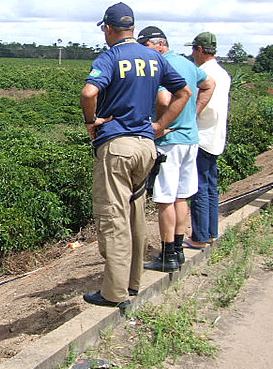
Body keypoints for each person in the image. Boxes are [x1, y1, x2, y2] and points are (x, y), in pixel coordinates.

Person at [80, 3, 191, 308]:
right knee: (135, 215)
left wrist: (91, 123)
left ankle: (113, 293)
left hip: (117, 147)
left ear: (109, 28)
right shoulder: (154, 57)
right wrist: (160, 125)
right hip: (146, 147)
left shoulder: (111, 57)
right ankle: (132, 283)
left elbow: (89, 93)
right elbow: (183, 93)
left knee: (113, 217)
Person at [138, 26, 216, 273]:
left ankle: (168, 254)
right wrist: (193, 114)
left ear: (158, 44)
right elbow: (209, 85)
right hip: (190, 140)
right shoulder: (187, 64)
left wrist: (161, 125)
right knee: (181, 197)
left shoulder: (162, 65)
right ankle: (179, 250)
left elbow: (162, 100)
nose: (143, 53)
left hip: (169, 143)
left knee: (164, 200)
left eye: (145, 47)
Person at [184, 32, 231, 249]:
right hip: (216, 137)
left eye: (194, 49)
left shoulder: (200, 74)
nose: (192, 54)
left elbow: (191, 103)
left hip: (201, 137)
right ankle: (211, 232)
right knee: (211, 186)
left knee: (199, 187)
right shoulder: (223, 74)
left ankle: (200, 237)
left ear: (200, 50)